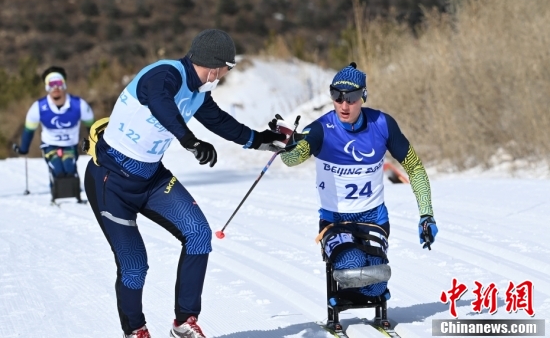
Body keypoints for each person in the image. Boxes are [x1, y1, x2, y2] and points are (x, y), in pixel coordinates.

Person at [83, 29, 286, 338]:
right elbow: (160, 103)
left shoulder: (198, 91)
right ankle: (135, 331)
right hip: (111, 182)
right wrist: (190, 142)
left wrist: (260, 140)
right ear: (216, 67)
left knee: (198, 234)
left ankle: (184, 323)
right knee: (135, 265)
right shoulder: (164, 74)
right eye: (227, 71)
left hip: (151, 178)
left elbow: (219, 121)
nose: (226, 76)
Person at [276, 62, 438, 305]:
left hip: (374, 218)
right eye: (336, 96)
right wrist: (284, 143)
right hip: (335, 220)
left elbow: (414, 167)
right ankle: (342, 289)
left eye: (351, 97)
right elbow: (292, 159)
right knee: (351, 266)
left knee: (377, 281)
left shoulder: (382, 124)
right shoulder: (321, 128)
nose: (343, 105)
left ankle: (367, 290)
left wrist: (426, 214)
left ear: (363, 96)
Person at [13, 66, 95, 201]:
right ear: (46, 87)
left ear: (64, 85)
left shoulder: (79, 105)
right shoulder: (38, 107)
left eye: (59, 84)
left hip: (70, 145)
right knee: (57, 169)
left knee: (69, 168)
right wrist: (24, 149)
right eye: (51, 85)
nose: (55, 88)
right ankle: (56, 191)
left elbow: (92, 128)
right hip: (50, 145)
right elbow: (29, 130)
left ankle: (74, 192)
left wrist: (97, 146)